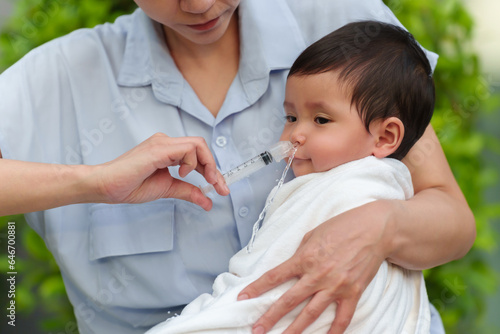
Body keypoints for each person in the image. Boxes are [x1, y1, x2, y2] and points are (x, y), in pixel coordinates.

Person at [0, 1, 474, 333]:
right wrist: (92, 182)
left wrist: (382, 226)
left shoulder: (345, 27)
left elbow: (453, 222)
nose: (200, 4)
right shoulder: (59, 76)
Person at [145, 20, 435, 334]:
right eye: (291, 117)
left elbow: (255, 301)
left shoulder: (343, 195)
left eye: (321, 119)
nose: (295, 134)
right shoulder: (376, 189)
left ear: (385, 137)